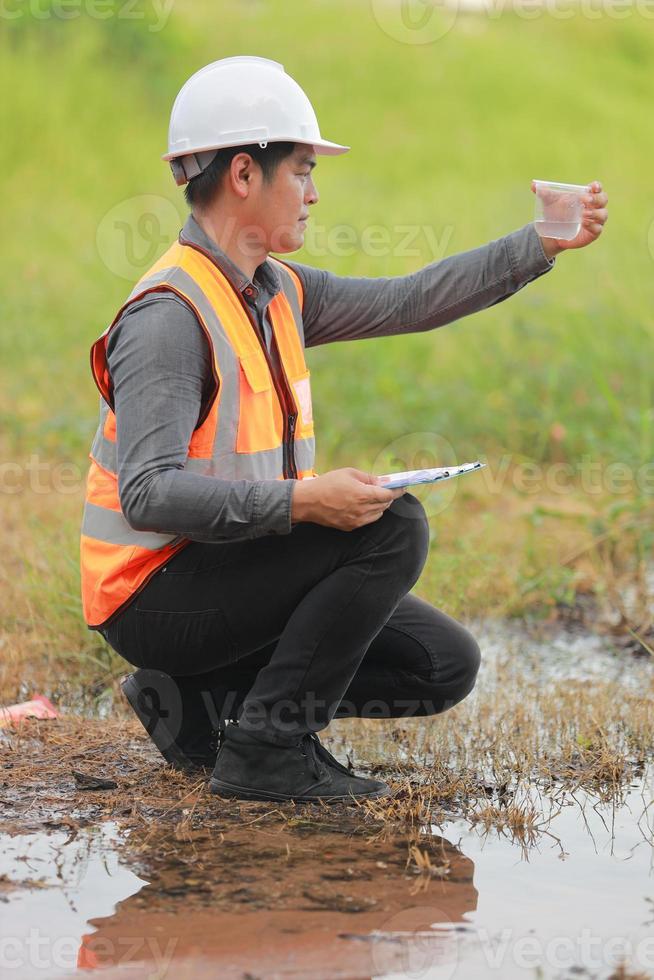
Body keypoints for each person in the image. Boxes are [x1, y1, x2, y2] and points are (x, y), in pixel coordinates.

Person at [80, 56, 608, 803]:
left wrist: (539, 245)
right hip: (152, 597)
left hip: (229, 564)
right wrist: (304, 504)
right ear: (241, 174)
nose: (315, 192)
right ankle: (267, 751)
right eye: (301, 170)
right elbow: (148, 494)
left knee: (442, 663)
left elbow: (409, 300)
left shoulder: (278, 289)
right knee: (390, 530)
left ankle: (193, 701)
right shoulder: (169, 317)